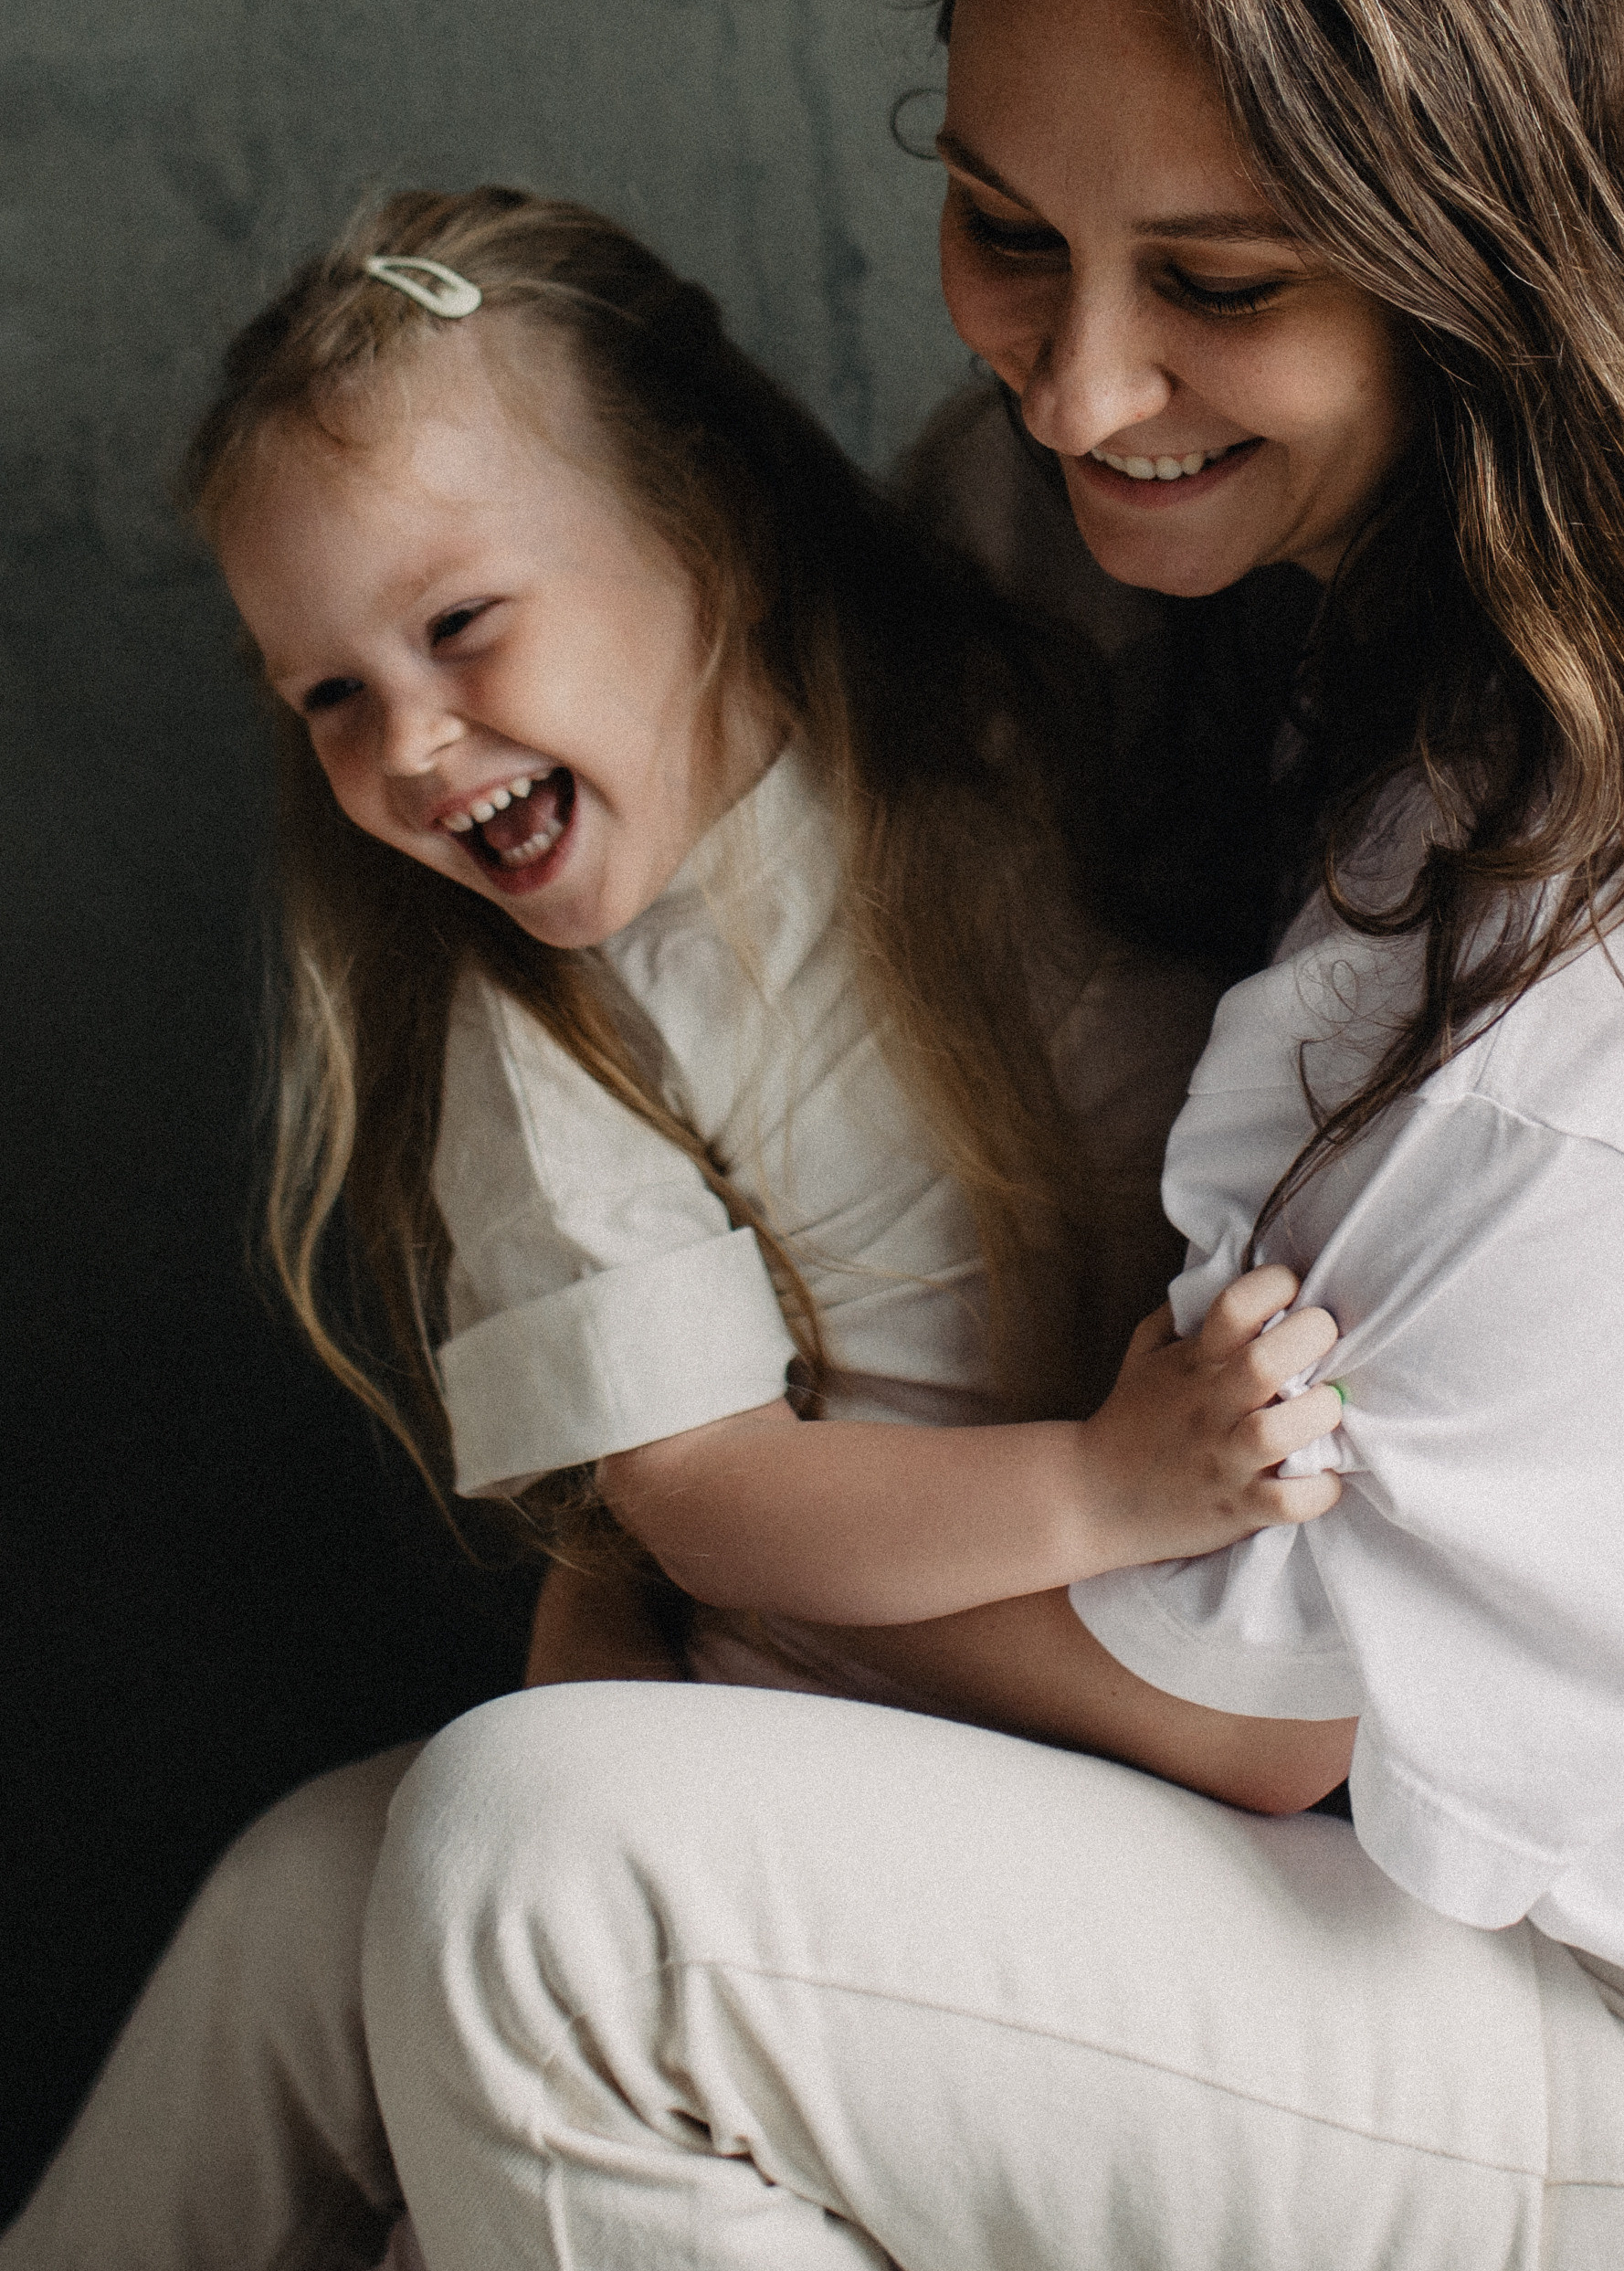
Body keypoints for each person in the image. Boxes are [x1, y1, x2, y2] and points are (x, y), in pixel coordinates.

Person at [344, 0, 1624, 2271]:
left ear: (1487, 261)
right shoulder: (1076, 540)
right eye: (1005, 228)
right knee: (315, 1905)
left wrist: (692, 1524)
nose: (1078, 383)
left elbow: (1269, 1711)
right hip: (1288, 1821)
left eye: (1223, 285)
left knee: (550, 1876)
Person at [1, 185, 1343, 2271]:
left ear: (702, 522)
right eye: (326, 695)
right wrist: (1099, 1486)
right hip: (842, 1668)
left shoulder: (980, 667)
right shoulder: (550, 1031)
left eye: (459, 625)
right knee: (299, 1897)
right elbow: (702, 1492)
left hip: (1034, 1716)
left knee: (423, 1981)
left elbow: (1098, 421)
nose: (406, 743)